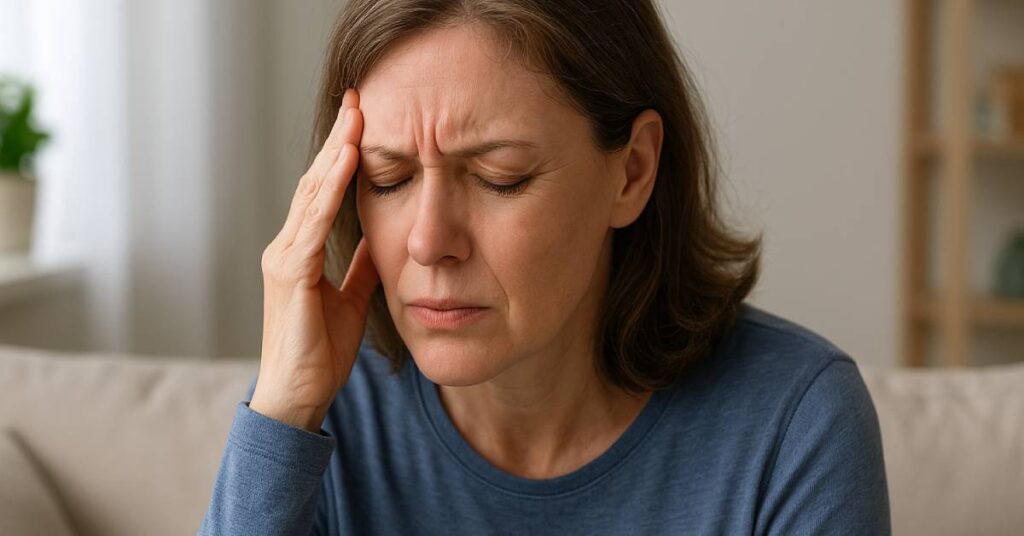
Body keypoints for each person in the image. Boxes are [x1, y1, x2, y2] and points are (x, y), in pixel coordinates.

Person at [199, 0, 891, 534]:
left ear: (633, 171)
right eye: (388, 178)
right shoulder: (323, 414)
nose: (428, 241)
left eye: (500, 177)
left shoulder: (793, 421)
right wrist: (283, 416)